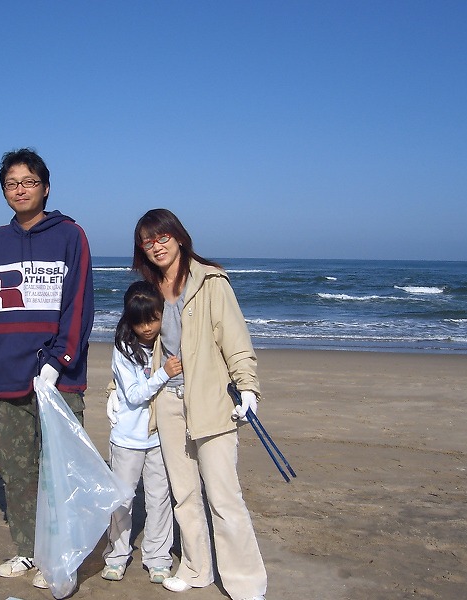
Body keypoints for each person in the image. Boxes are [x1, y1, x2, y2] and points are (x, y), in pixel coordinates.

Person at [0, 148, 94, 590]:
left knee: (60, 473)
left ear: (46, 188)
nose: (20, 189)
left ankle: (62, 557)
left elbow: (78, 307)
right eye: (11, 183)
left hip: (58, 383)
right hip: (9, 377)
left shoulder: (70, 235)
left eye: (29, 182)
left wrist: (58, 361)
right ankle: (27, 549)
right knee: (18, 472)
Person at [132, 208, 267, 600]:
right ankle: (196, 568)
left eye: (162, 237)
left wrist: (248, 388)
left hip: (210, 402)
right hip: (168, 403)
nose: (156, 246)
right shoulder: (150, 288)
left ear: (178, 237)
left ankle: (245, 583)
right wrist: (114, 391)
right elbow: (139, 349)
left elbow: (235, 340)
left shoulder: (211, 281)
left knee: (224, 496)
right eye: (147, 241)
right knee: (185, 495)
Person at [102, 281, 179, 584]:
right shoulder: (124, 349)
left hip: (160, 436)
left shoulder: (167, 343)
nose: (147, 328)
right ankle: (117, 555)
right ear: (129, 320)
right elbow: (134, 395)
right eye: (139, 322)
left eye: (153, 319)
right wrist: (163, 374)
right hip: (127, 438)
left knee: (159, 498)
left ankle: (158, 557)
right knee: (122, 500)